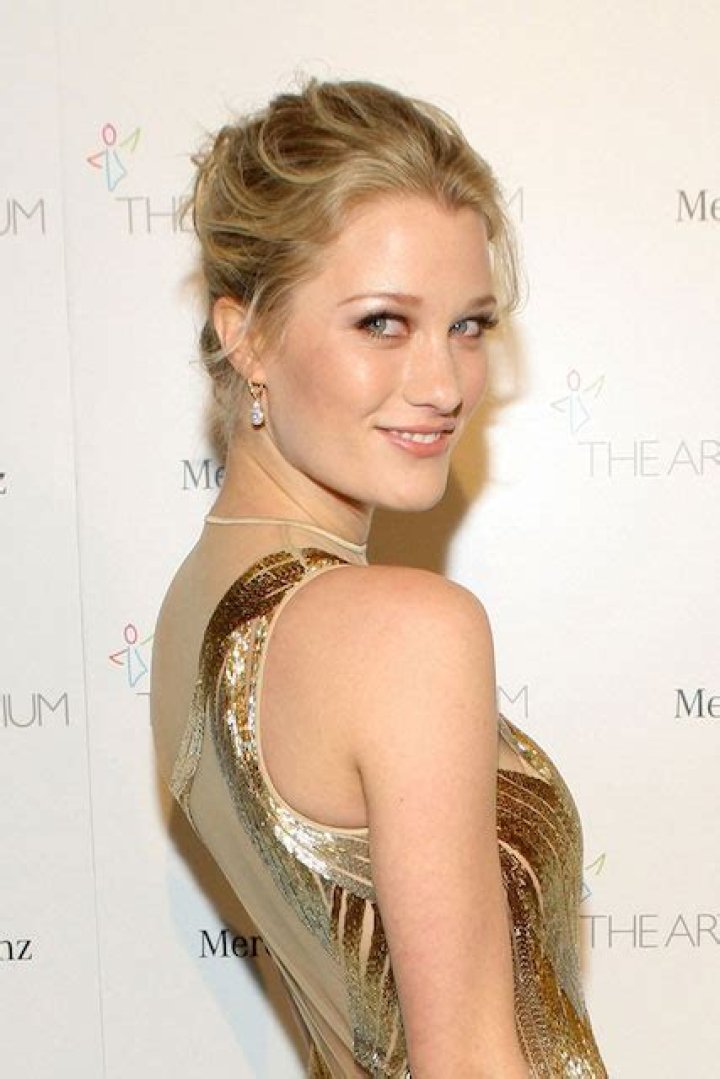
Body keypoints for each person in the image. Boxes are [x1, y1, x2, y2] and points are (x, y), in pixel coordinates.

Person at [151, 77, 607, 1078]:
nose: (443, 384)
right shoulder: (406, 630)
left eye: (468, 325)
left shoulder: (196, 603)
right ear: (246, 333)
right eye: (382, 323)